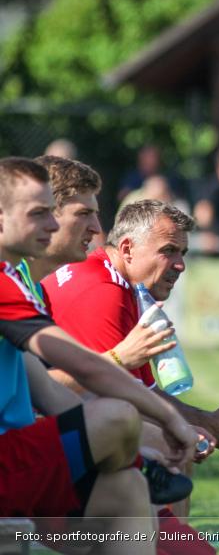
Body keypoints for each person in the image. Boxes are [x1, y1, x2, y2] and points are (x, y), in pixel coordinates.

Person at [0, 157, 197, 553]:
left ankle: (141, 470)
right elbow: (85, 367)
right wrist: (173, 419)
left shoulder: (24, 286)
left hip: (22, 457)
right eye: (41, 214)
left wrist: (141, 445)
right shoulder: (14, 285)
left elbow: (45, 388)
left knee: (127, 487)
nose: (94, 228)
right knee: (119, 416)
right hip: (11, 464)